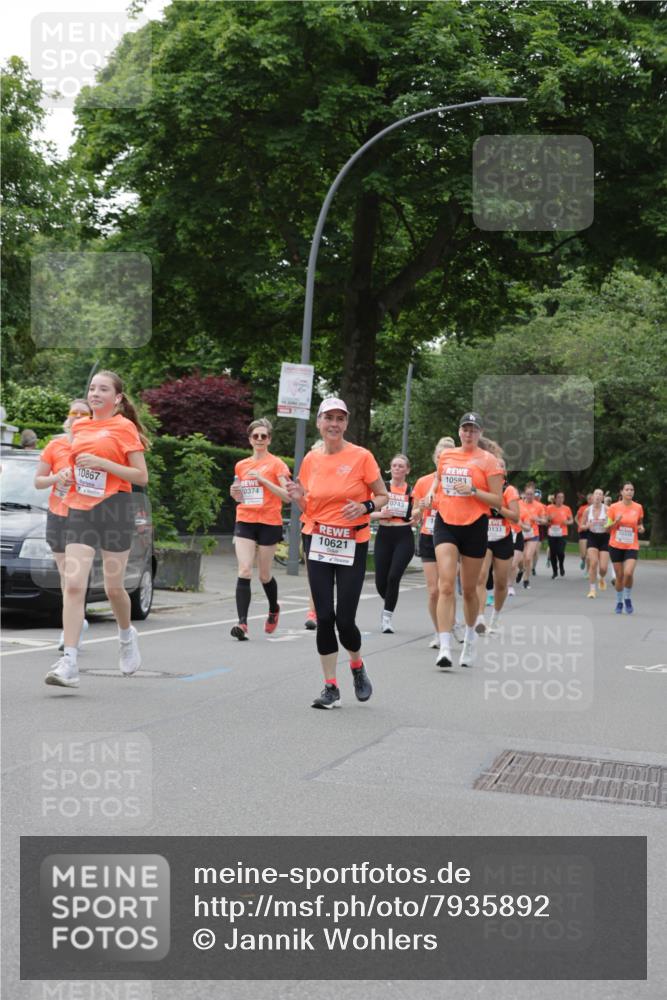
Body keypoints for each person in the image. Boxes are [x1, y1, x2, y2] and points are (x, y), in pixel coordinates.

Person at [44, 371, 149, 688]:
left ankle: (126, 635)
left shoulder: (124, 427)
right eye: (92, 388)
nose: (95, 393)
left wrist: (105, 465)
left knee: (113, 588)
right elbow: (79, 467)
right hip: (80, 508)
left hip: (116, 508)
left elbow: (140, 476)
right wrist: (66, 476)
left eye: (103, 389)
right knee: (74, 585)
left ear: (117, 398)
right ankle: (69, 662)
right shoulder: (79, 426)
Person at [285, 398, 388, 709]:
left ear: (346, 424)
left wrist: (365, 507)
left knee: (345, 619)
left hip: (351, 543)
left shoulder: (362, 457)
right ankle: (330, 686)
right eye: (328, 417)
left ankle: (356, 665)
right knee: (324, 617)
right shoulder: (311, 460)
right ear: (319, 422)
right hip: (316, 540)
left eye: (339, 419)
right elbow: (309, 505)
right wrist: (297, 497)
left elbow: (383, 496)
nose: (334, 424)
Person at [432, 412, 503, 670]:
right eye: (465, 429)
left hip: (474, 524)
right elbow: (439, 484)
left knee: (470, 589)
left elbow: (497, 500)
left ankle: (471, 638)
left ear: (480, 433)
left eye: (473, 429)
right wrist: (430, 500)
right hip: (446, 523)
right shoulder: (447, 457)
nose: (469, 433)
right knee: (446, 585)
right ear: (459, 431)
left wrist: (473, 491)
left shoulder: (489, 461)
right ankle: (444, 646)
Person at [35, 399, 92, 651]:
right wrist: (57, 477)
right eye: (74, 412)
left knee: (75, 579)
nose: (78, 416)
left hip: (84, 515)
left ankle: (71, 632)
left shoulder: (95, 447)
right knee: (65, 577)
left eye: (84, 413)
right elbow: (38, 481)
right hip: (57, 514)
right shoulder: (55, 445)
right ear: (67, 417)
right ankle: (74, 623)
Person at [229, 418, 291, 640]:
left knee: (264, 575)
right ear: (249, 439)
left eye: (263, 436)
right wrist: (235, 492)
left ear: (269, 439)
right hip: (245, 518)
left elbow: (288, 496)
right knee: (245, 569)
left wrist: (264, 480)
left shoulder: (278, 465)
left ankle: (274, 608)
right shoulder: (241, 465)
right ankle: (242, 624)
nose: (259, 439)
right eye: (255, 436)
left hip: (269, 521)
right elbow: (239, 493)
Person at [411, 437, 454, 648]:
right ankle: (439, 631)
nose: (442, 459)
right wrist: (420, 510)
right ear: (434, 457)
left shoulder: (457, 482)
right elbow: (414, 513)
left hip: (451, 537)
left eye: (447, 455)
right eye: (440, 455)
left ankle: (450, 624)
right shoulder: (422, 482)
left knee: (446, 587)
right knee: (433, 591)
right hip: (428, 535)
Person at [474, 440, 519, 634]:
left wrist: (499, 507)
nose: (497, 468)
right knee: (481, 577)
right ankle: (480, 618)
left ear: (505, 472)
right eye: (495, 465)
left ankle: (496, 617)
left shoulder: (509, 491)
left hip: (503, 538)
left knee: (501, 582)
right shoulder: (484, 490)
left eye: (501, 466)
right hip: (484, 538)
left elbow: (515, 516)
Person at [371, 454, 415, 633]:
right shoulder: (382, 489)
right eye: (394, 465)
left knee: (394, 576)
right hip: (384, 534)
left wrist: (416, 516)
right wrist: (381, 515)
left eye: (401, 466)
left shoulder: (411, 490)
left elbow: (418, 511)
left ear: (407, 470)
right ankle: (390, 600)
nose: (397, 469)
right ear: (390, 468)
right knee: (381, 581)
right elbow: (366, 512)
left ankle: (387, 617)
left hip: (403, 535)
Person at [608, 482, 645, 614]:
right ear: (621, 492)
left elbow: (640, 524)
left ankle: (627, 598)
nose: (630, 492)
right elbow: (607, 529)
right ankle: (619, 602)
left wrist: (641, 528)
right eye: (627, 489)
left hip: (631, 545)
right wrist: (615, 522)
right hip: (616, 545)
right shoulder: (613, 507)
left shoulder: (638, 507)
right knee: (619, 576)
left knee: (628, 573)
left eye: (632, 490)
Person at [517, 483, 547, 590]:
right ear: (524, 494)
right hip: (520, 533)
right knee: (520, 559)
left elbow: (545, 521)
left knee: (528, 557)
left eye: (531, 494)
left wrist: (538, 519)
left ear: (534, 495)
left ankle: (526, 579)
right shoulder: (518, 504)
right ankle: (521, 570)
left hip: (533, 534)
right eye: (528, 494)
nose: (529, 496)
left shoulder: (539, 506)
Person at [583, 488, 611, 598]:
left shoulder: (608, 510)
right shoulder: (587, 510)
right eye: (596, 494)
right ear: (593, 497)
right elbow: (582, 526)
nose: (598, 496)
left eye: (600, 494)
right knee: (593, 563)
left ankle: (602, 578)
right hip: (592, 537)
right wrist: (587, 526)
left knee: (603, 568)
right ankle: (592, 590)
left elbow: (611, 527)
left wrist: (607, 525)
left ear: (603, 498)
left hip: (604, 538)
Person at [545, 491, 574, 580]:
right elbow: (545, 521)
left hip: (562, 533)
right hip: (552, 532)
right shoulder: (549, 508)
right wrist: (549, 519)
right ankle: (555, 571)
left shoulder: (567, 508)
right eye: (559, 497)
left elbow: (571, 520)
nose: (560, 499)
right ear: (555, 498)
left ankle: (561, 564)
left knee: (560, 552)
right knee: (553, 553)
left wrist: (567, 522)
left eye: (562, 497)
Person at [576, 494, 593, 570]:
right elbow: (576, 518)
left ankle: (588, 570)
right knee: (583, 554)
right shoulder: (583, 508)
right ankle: (583, 560)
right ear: (587, 499)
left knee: (589, 553)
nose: (590, 500)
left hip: (592, 532)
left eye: (591, 498)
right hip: (583, 531)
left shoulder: (597, 508)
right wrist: (580, 525)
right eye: (589, 498)